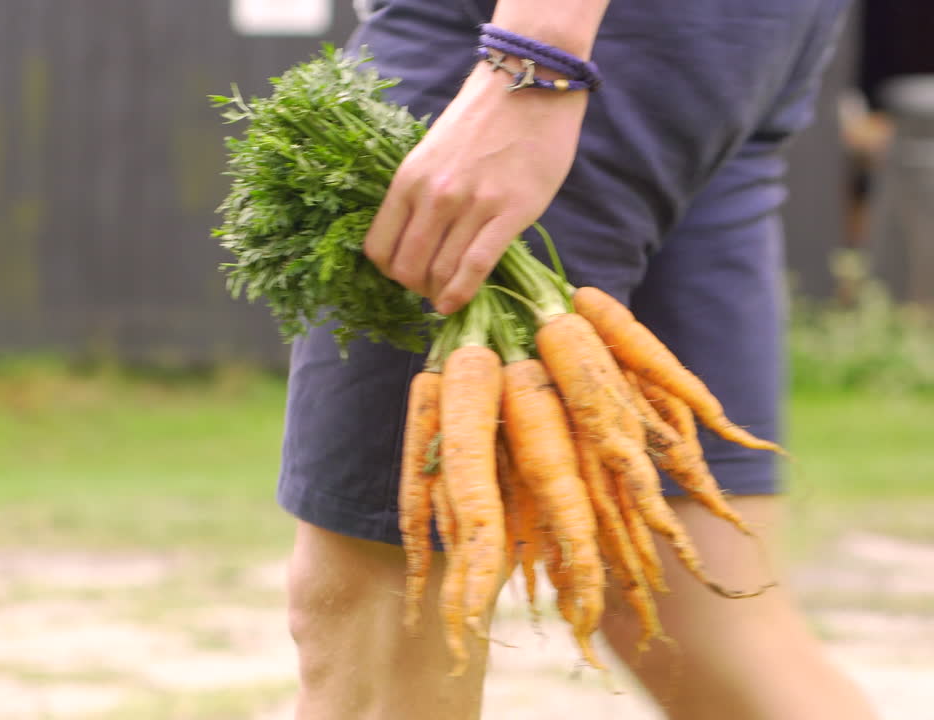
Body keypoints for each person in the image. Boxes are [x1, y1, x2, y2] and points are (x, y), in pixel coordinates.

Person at [276, 1, 882, 718]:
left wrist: (536, 59)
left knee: (378, 618)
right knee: (699, 616)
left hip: (538, 34)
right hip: (728, 40)